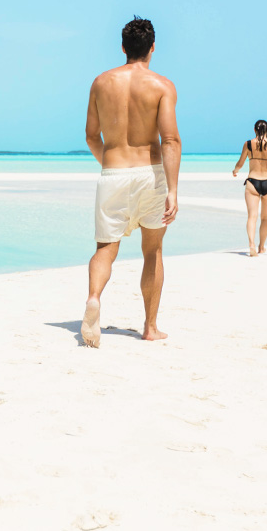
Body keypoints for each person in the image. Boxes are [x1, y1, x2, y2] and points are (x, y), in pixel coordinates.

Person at [81, 17, 181, 348]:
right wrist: (173, 189)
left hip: (113, 173)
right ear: (152, 48)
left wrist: (110, 166)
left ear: (123, 47)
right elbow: (170, 141)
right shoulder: (162, 86)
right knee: (152, 250)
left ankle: (94, 297)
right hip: (150, 173)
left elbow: (91, 135)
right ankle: (150, 327)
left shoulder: (100, 83)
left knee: (105, 248)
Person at [231, 120, 267, 256]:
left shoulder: (248, 144)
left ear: (254, 130)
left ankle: (251, 245)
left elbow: (241, 162)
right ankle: (261, 247)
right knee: (265, 218)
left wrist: (235, 170)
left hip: (252, 183)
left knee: (252, 216)